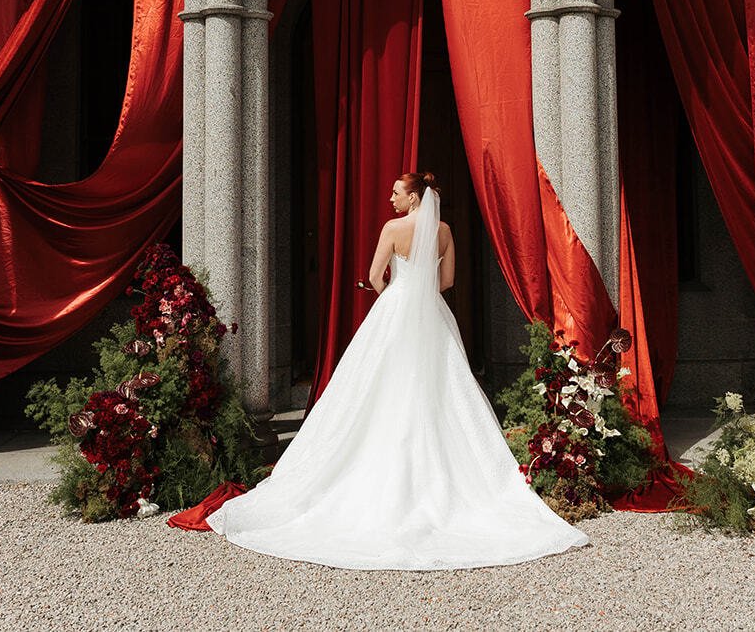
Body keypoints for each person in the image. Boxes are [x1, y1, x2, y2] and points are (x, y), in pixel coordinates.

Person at [205, 172, 590, 569]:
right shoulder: (444, 231)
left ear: (413, 197)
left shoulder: (392, 228)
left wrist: (395, 294)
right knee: (443, 389)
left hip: (395, 307)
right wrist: (420, 292)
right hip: (431, 310)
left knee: (371, 387)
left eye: (396, 193)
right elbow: (447, 280)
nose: (391, 199)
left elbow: (375, 276)